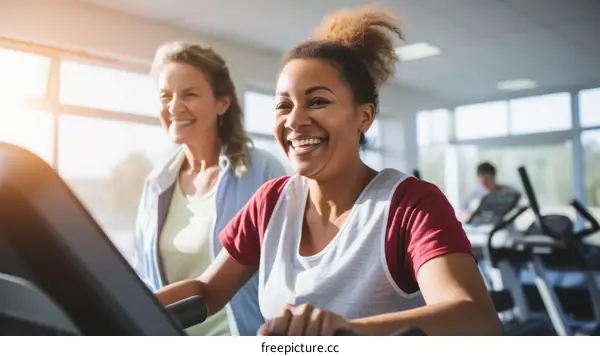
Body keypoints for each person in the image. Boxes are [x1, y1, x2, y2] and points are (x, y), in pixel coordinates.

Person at [154, 6, 502, 336]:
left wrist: (346, 333)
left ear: (364, 117)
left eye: (317, 101)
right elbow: (207, 290)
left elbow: (476, 318)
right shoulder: (271, 202)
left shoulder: (410, 206)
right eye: (283, 105)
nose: (294, 120)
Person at [133, 41, 287, 336]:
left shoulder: (263, 172)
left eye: (189, 94)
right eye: (165, 96)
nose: (174, 107)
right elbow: (143, 277)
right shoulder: (156, 185)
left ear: (222, 103)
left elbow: (287, 273)